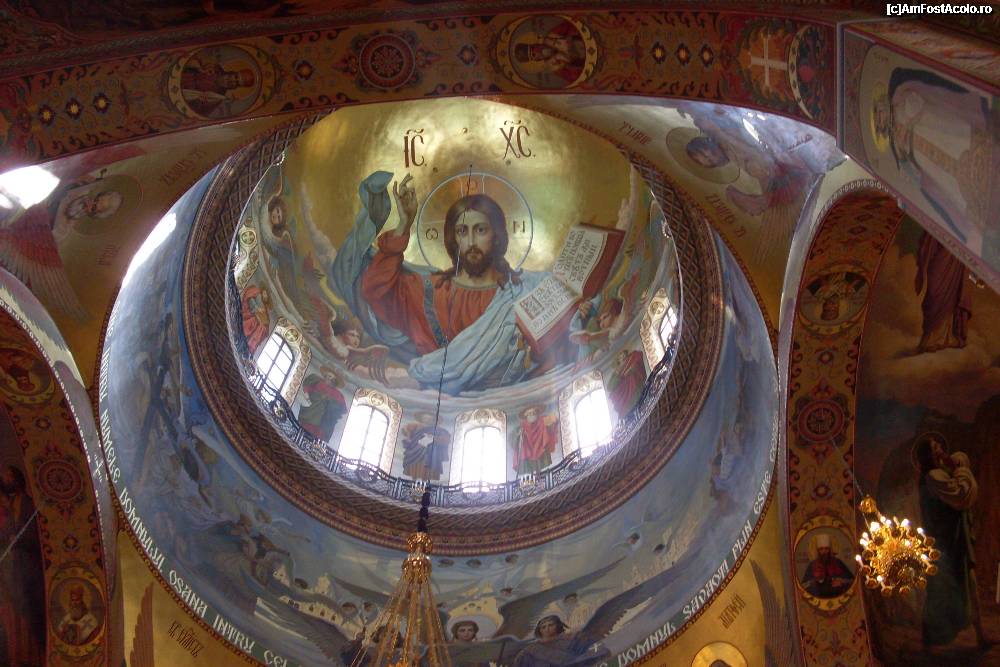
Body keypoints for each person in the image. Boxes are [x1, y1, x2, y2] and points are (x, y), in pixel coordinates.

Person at [331, 172, 556, 394]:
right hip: (435, 401)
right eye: (462, 231)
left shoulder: (523, 290)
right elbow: (375, 289)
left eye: (480, 230)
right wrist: (403, 225)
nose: (471, 241)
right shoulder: (429, 290)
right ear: (453, 239)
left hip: (507, 399)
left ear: (496, 236)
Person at [912, 433, 988, 647]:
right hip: (945, 544)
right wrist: (961, 470)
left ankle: (980, 636)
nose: (940, 449)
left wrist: (957, 465)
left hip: (955, 539)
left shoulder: (942, 472)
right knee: (942, 591)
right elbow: (962, 495)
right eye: (934, 447)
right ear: (928, 455)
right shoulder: (934, 476)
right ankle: (931, 639)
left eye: (939, 445)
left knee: (969, 583)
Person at [0, 465, 45, 666]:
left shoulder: (28, 504)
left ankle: (43, 650)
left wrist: (15, 538)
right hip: (15, 571)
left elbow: (34, 535)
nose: (7, 480)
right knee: (24, 613)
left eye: (10, 476)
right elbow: (7, 532)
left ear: (18, 479)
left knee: (35, 611)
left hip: (29, 568)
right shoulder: (10, 506)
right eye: (5, 477)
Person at [913, 231, 971, 352]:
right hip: (940, 259)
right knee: (934, 295)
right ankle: (930, 339)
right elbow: (928, 241)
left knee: (953, 298)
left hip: (956, 261)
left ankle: (947, 338)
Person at [511, 615, 608, 667]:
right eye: (543, 627)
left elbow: (596, 651)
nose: (547, 629)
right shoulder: (531, 650)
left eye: (550, 625)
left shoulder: (573, 639)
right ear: (539, 631)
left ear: (558, 626)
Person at [180, 58, 256, 117]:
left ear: (235, 87)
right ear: (232, 72)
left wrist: (201, 99)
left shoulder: (217, 97)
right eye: (236, 77)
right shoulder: (215, 68)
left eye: (237, 83)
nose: (232, 80)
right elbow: (192, 59)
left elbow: (199, 112)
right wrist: (199, 68)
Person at [296, 368, 347, 444]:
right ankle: (299, 438)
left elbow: (342, 409)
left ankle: (314, 445)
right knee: (305, 427)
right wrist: (309, 396)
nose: (328, 378)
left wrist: (329, 401)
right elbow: (307, 388)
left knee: (318, 434)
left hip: (324, 420)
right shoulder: (317, 382)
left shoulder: (338, 394)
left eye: (331, 377)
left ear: (334, 380)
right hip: (312, 412)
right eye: (327, 375)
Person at [799, 534, 853, 598]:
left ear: (830, 550)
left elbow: (852, 580)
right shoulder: (812, 565)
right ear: (818, 550)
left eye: (826, 549)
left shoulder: (838, 562)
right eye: (821, 549)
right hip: (819, 597)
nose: (824, 551)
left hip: (837, 596)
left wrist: (841, 581)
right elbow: (803, 586)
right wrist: (814, 582)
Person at [400, 412, 450, 481]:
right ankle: (414, 479)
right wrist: (409, 436)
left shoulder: (438, 429)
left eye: (429, 419)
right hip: (416, 448)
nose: (427, 420)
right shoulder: (416, 426)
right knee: (416, 463)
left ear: (433, 420)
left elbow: (446, 438)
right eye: (425, 418)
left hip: (431, 451)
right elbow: (405, 430)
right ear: (421, 419)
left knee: (429, 461)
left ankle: (426, 480)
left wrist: (434, 438)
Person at [513, 407, 559, 475]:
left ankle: (541, 473)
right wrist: (519, 435)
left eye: (534, 413)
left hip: (541, 448)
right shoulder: (522, 427)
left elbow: (552, 422)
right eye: (529, 413)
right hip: (528, 450)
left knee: (542, 467)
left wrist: (554, 419)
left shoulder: (542, 421)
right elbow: (514, 438)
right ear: (526, 416)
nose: (532, 415)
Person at [240, 284, 271, 354]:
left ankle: (248, 345)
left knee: (261, 329)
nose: (265, 296)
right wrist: (257, 309)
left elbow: (266, 320)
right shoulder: (256, 293)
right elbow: (250, 299)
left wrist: (265, 322)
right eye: (265, 294)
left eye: (267, 296)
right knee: (251, 322)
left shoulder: (265, 307)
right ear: (262, 291)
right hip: (250, 314)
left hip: (258, 322)